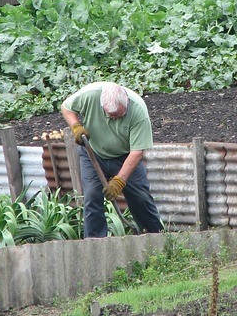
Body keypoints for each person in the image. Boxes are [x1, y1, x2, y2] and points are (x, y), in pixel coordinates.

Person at [61, 82, 164, 238]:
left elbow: (137, 152)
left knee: (140, 197)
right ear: (102, 106)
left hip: (125, 156)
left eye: (119, 115)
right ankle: (95, 244)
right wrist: (76, 126)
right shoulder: (90, 95)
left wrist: (119, 182)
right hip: (93, 153)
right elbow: (66, 107)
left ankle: (156, 239)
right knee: (92, 196)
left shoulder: (138, 110)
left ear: (126, 103)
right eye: (111, 115)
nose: (115, 118)